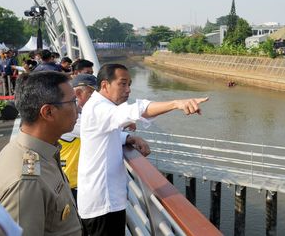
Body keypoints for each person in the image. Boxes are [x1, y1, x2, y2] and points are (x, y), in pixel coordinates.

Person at [77, 63, 208, 236]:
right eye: (122, 83)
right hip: (104, 204)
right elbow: (137, 110)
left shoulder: (100, 107)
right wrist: (176, 103)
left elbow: (104, 134)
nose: (128, 89)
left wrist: (128, 138)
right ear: (104, 85)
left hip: (103, 199)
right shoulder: (99, 109)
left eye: (129, 84)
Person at [0, 71, 82, 235]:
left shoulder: (39, 152)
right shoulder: (27, 182)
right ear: (48, 112)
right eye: (73, 101)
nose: (78, 108)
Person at [59, 74, 97, 202]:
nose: (97, 99)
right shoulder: (72, 117)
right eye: (93, 94)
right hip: (70, 183)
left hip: (71, 181)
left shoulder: (80, 113)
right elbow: (96, 129)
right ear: (79, 93)